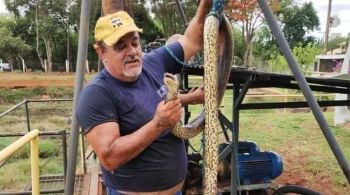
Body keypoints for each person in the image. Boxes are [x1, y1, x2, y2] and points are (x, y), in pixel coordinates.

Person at [76, 1, 211, 194]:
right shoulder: (96, 94)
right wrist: (158, 124)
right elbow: (110, 157)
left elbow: (191, 41)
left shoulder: (153, 62)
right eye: (120, 46)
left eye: (134, 42)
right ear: (101, 51)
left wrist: (205, 7)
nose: (131, 51)